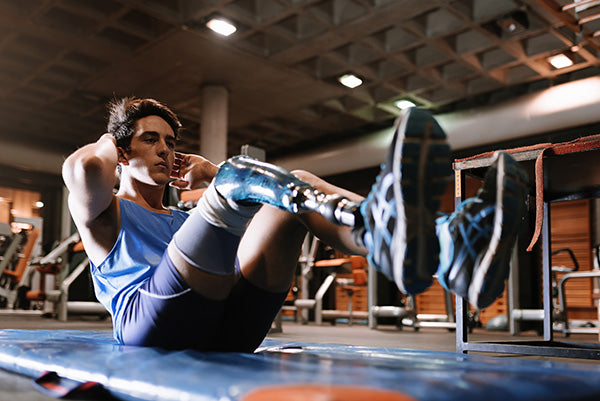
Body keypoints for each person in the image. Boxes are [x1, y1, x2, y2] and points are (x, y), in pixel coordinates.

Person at [62, 97, 527, 352]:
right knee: (237, 179)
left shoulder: (184, 218)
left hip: (227, 332)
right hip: (151, 323)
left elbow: (261, 199)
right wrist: (113, 136)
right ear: (124, 153)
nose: (165, 149)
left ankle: (444, 246)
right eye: (151, 140)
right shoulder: (107, 213)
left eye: (170, 141)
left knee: (296, 188)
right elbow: (85, 169)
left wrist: (211, 171)